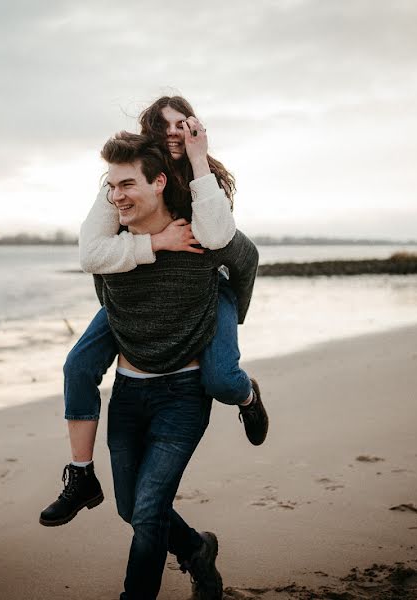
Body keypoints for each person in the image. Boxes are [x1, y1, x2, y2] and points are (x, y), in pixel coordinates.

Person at [40, 96, 268, 528]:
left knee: (220, 378)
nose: (176, 134)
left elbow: (221, 239)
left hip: (201, 288)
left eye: (183, 123)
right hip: (136, 294)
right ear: (151, 135)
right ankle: (81, 476)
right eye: (165, 128)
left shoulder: (206, 175)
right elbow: (92, 253)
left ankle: (249, 396)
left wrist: (200, 162)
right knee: (78, 365)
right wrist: (156, 244)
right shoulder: (126, 182)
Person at [100, 131, 258, 599]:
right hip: (127, 395)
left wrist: (233, 312)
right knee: (130, 507)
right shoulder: (111, 250)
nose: (116, 197)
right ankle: (195, 550)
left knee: (148, 510)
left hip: (183, 397)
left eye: (126, 185)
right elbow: (112, 311)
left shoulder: (203, 239)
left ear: (158, 183)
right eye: (111, 187)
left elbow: (245, 260)